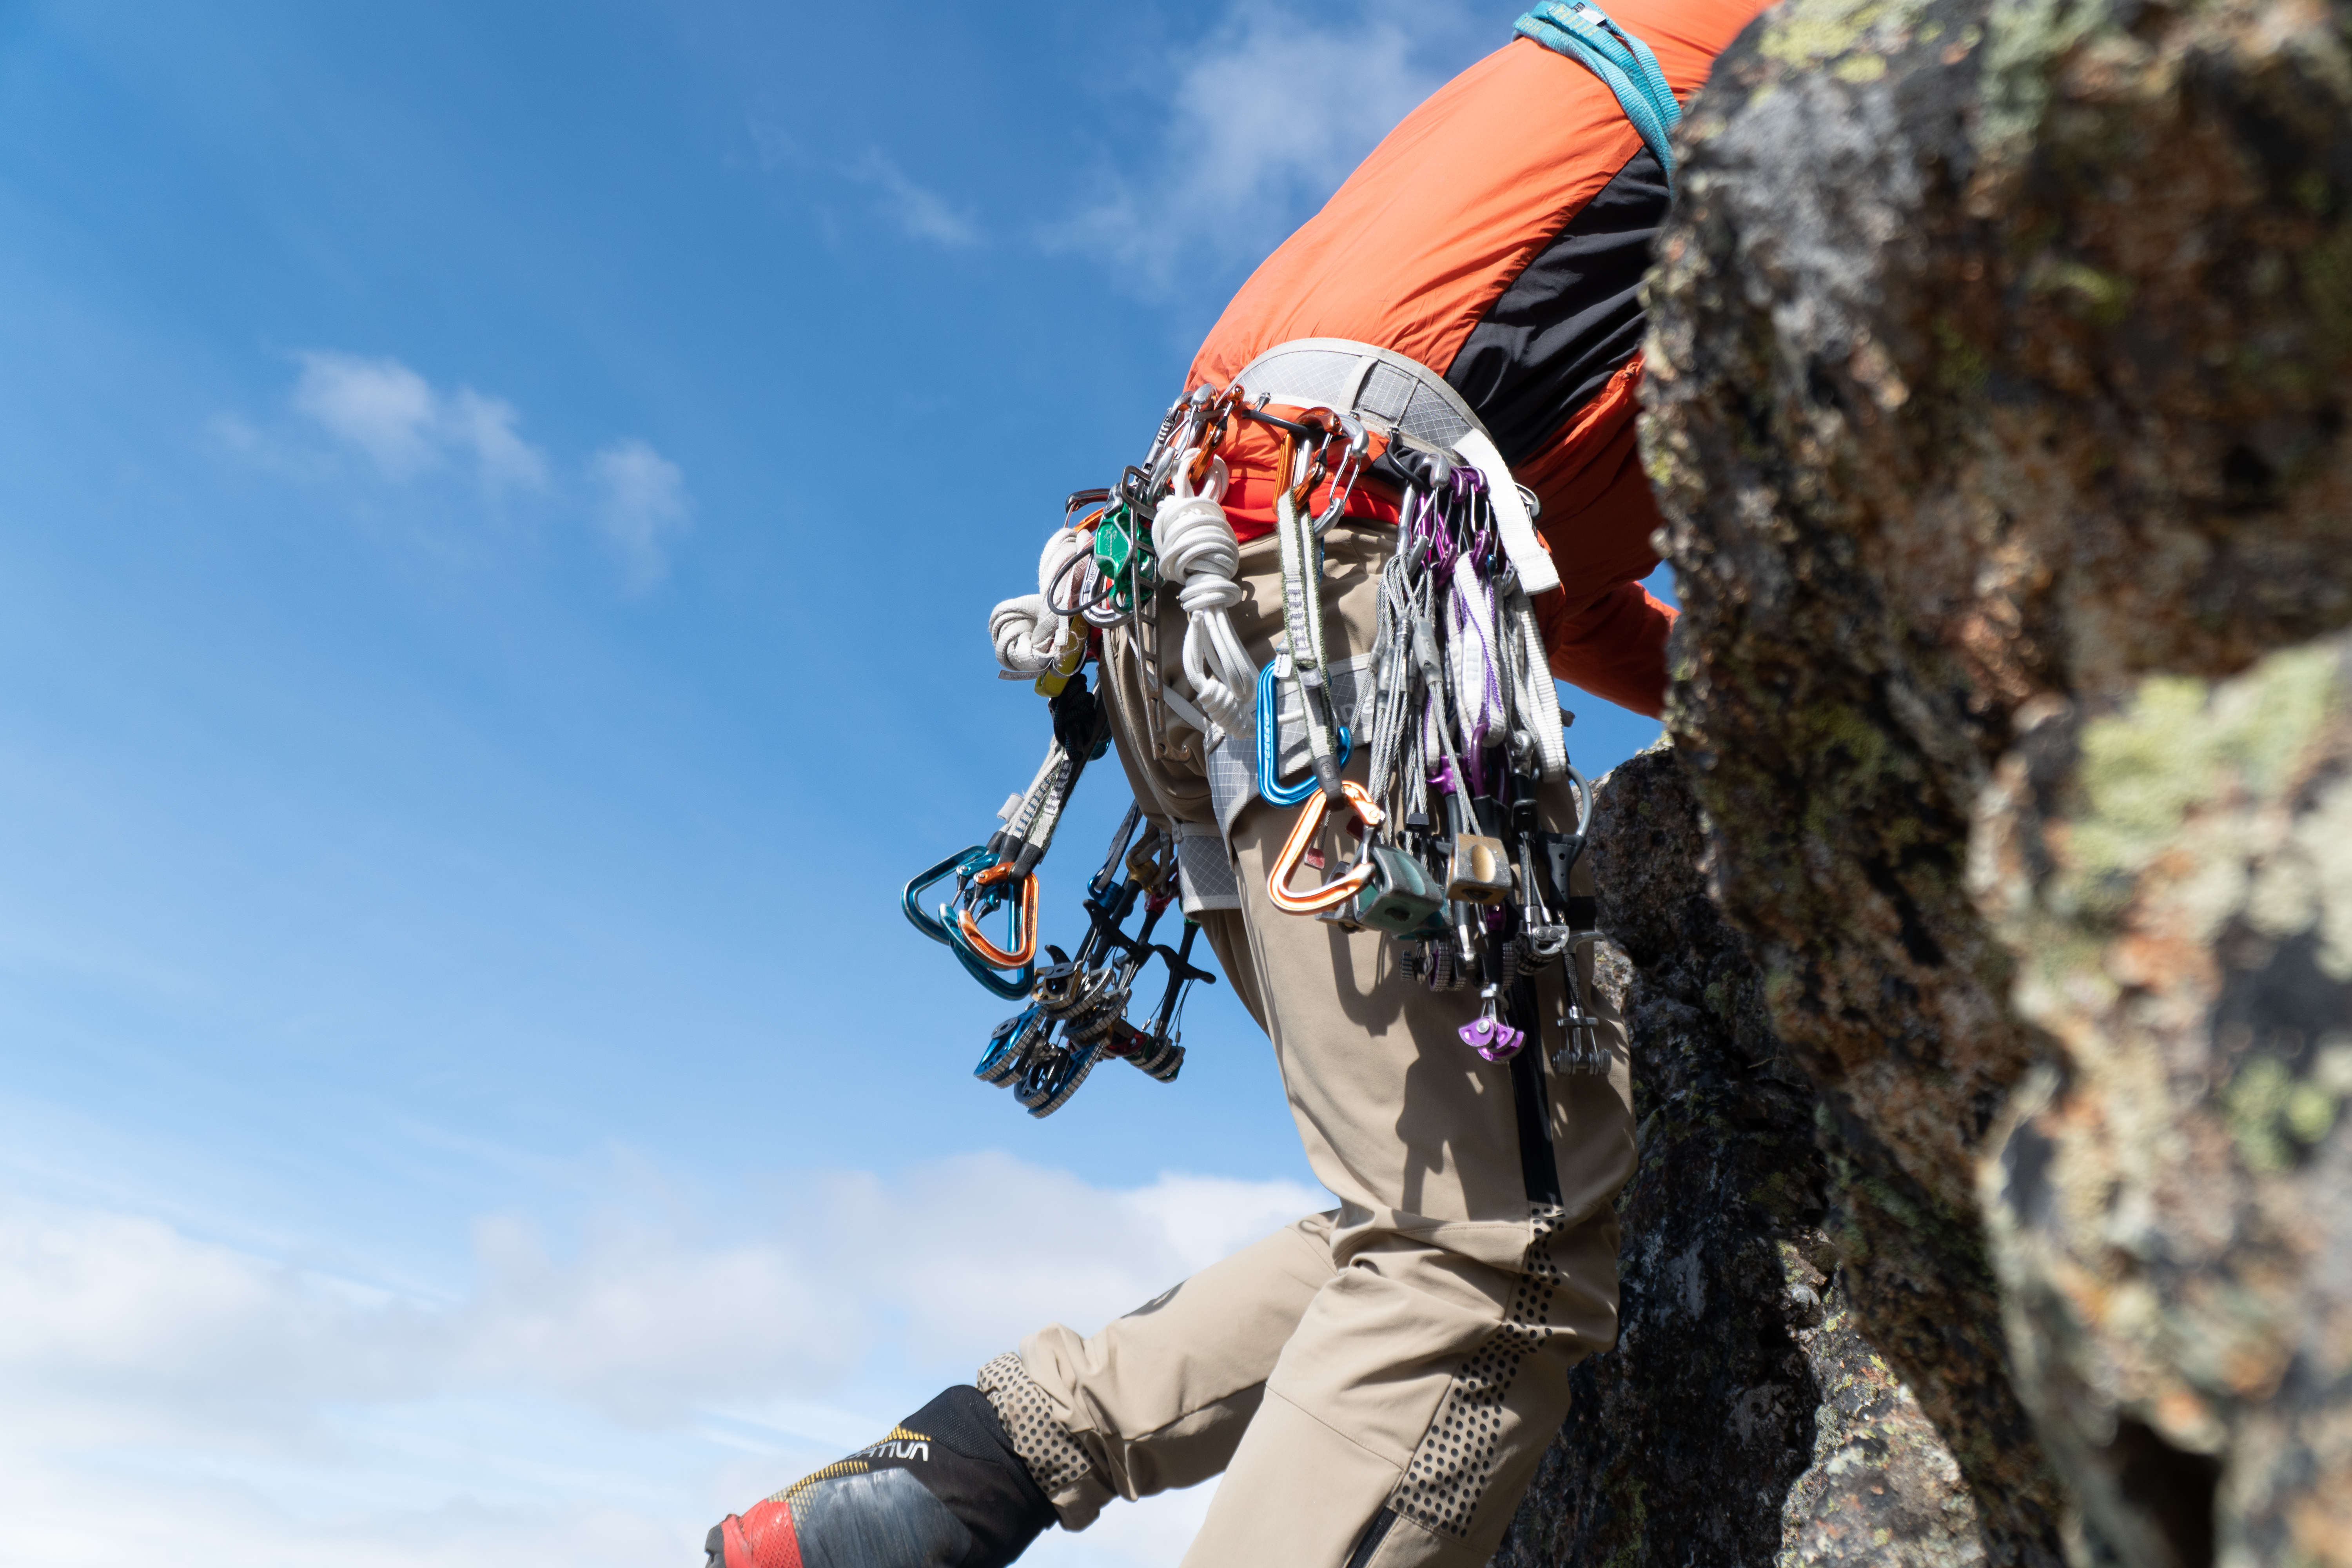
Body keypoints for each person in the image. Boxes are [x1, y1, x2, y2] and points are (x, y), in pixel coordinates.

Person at [706, 0, 1769, 1563]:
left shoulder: (1593, 102)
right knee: (1491, 1253)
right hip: (1333, 598)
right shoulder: (1764, 48)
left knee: (1428, 1187)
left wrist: (1742, 707)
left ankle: (974, 1469)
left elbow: (1574, 600)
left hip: (1200, 613)